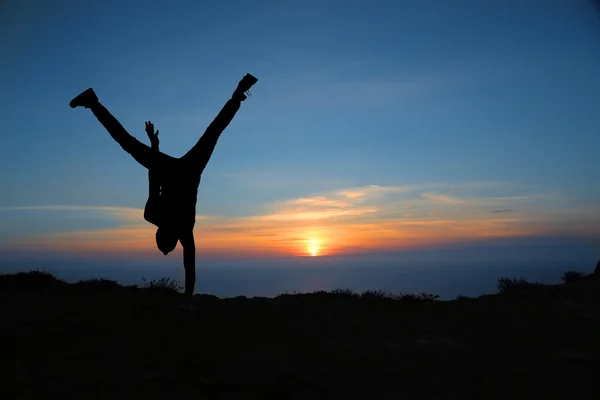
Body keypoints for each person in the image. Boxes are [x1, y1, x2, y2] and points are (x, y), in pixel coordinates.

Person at [69, 74, 258, 296]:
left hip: (185, 171)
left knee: (212, 132)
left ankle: (238, 93)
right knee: (132, 141)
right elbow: (153, 179)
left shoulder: (177, 227)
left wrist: (155, 148)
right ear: (160, 234)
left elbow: (190, 265)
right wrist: (154, 148)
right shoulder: (154, 217)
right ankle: (93, 103)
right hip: (179, 171)